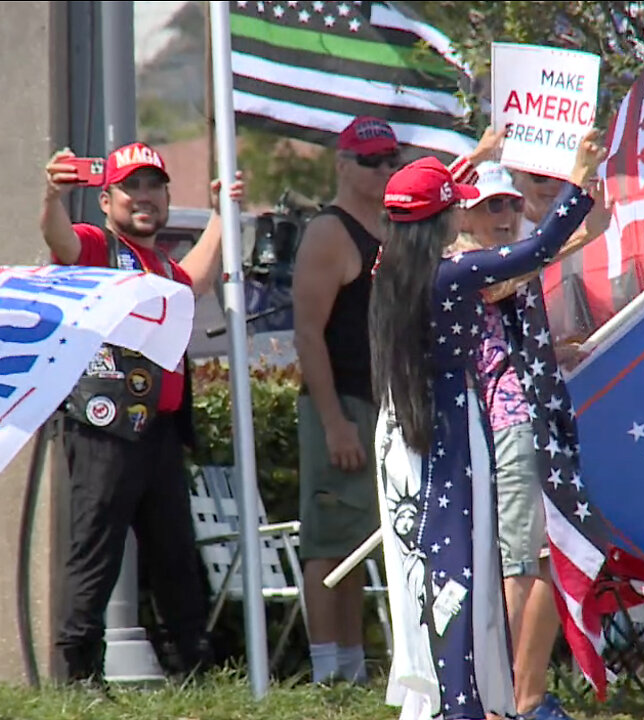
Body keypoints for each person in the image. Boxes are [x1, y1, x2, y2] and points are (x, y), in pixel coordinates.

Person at [372, 131, 604, 720]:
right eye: (455, 207)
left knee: (419, 567)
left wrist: (470, 160)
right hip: (450, 425)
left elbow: (414, 198)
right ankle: (460, 701)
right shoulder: (455, 276)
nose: (464, 213)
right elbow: (543, 245)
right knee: (459, 563)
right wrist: (577, 176)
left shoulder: (392, 268)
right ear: (439, 221)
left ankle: (436, 697)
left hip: (402, 430)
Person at [41, 140, 242, 686]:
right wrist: (51, 197)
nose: (144, 196)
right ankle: (80, 674)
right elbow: (58, 239)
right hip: (103, 428)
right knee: (96, 551)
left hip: (158, 431)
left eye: (154, 185)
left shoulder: (161, 265)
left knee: (176, 554)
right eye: (132, 186)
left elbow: (195, 280)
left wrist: (225, 215)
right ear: (106, 199)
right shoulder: (96, 246)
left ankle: (194, 669)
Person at [452, 160, 609, 720]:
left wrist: (553, 351)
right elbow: (503, 282)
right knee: (521, 563)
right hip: (505, 426)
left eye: (512, 203)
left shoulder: (512, 258)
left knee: (540, 560)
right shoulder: (461, 261)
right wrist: (576, 199)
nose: (505, 213)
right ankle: (507, 703)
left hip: (535, 420)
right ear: (463, 209)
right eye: (492, 204)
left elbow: (508, 325)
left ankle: (526, 697)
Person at [292, 116, 400, 685]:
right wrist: (334, 422)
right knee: (330, 540)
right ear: (342, 165)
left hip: (383, 406)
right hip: (341, 403)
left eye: (390, 161)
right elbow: (307, 333)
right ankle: (325, 668)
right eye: (371, 161)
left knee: (359, 543)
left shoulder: (390, 227)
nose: (383, 169)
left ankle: (352, 665)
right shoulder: (329, 233)